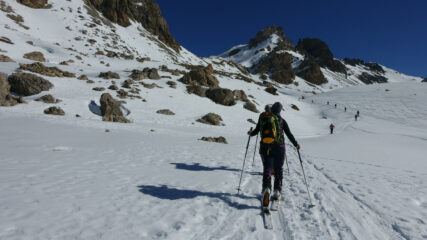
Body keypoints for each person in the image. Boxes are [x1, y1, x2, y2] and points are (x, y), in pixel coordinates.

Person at [248, 102, 300, 207]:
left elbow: (256, 131)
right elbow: (289, 134)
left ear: (272, 109)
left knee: (267, 168)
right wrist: (296, 144)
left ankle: (266, 189)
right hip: (280, 148)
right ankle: (277, 191)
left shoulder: (264, 118)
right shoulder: (282, 121)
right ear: (280, 110)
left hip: (265, 147)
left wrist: (250, 133)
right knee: (278, 168)